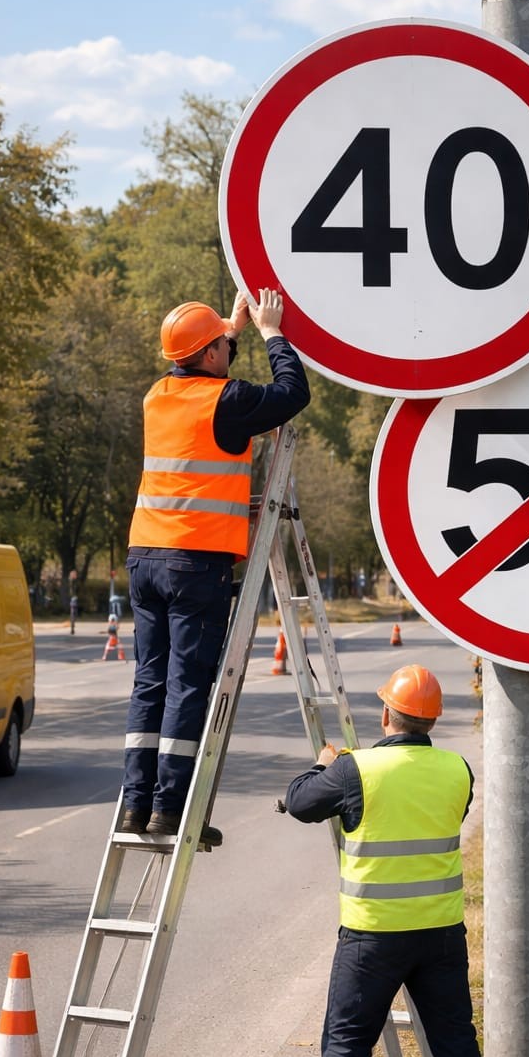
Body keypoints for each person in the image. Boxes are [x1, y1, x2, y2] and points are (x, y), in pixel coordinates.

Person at [280, 663, 491, 1057]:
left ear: (386, 713)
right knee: (454, 1040)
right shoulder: (457, 769)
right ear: (432, 722)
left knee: (348, 1040)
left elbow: (304, 803)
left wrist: (323, 764)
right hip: (441, 931)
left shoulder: (358, 769)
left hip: (372, 934)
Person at [121, 287, 310, 841]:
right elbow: (290, 393)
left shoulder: (157, 395)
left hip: (144, 556)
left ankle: (137, 804)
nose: (228, 352)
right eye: (222, 348)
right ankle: (171, 810)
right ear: (209, 357)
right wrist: (272, 332)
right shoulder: (226, 401)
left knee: (149, 681)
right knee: (187, 684)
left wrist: (229, 327)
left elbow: (202, 366)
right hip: (193, 562)